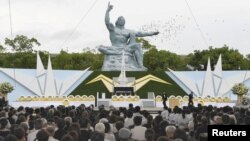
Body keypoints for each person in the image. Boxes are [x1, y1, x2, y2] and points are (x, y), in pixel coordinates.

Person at [99, 2, 159, 70]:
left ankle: (140, 65)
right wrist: (108, 11)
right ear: (117, 21)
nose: (122, 21)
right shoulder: (113, 29)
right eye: (120, 20)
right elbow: (107, 22)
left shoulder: (128, 31)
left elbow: (140, 33)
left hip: (126, 47)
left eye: (123, 20)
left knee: (138, 45)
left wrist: (152, 33)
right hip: (115, 47)